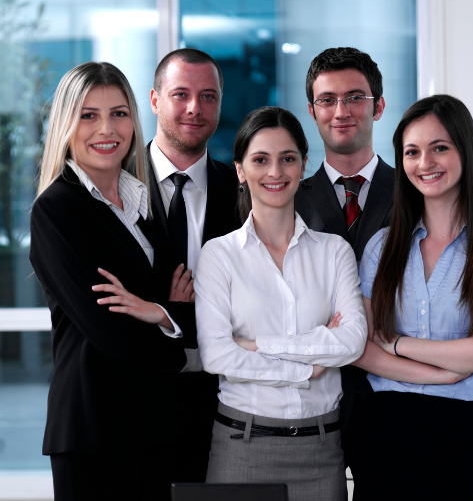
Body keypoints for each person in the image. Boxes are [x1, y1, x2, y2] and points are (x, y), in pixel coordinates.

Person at [29, 62, 197, 501]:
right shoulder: (57, 210)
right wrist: (172, 331)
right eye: (88, 115)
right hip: (95, 432)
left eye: (119, 113)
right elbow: (109, 330)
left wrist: (159, 313)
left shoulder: (141, 203)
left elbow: (187, 305)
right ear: (66, 124)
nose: (107, 128)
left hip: (157, 425)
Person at [354, 94, 473, 501]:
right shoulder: (381, 247)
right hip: (388, 429)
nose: (424, 163)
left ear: (464, 151)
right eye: (412, 152)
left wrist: (397, 343)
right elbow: (360, 349)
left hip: (467, 430)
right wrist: (447, 369)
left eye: (440, 148)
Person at [193, 106, 368, 501]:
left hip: (322, 450)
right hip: (243, 446)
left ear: (304, 166)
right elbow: (218, 357)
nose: (275, 172)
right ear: (240, 169)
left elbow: (353, 342)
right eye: (260, 160)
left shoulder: (334, 252)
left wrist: (260, 346)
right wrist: (311, 365)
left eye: (287, 159)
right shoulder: (218, 256)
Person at [294, 46, 394, 480]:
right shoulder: (287, 198)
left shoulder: (418, 193)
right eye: (328, 100)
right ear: (312, 111)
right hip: (313, 402)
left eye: (355, 97)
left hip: (395, 395)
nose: (342, 111)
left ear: (379, 106)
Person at [145, 47, 241, 482]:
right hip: (132, 409)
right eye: (181, 93)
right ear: (154, 100)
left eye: (208, 97)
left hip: (223, 409)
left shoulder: (245, 194)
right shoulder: (111, 190)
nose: (194, 108)